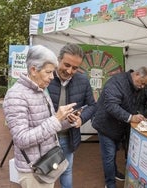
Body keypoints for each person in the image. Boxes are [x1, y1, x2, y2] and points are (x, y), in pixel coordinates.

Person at [2, 45, 79, 188]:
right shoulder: (16, 96)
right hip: (34, 170)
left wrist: (68, 120)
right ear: (33, 70)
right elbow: (21, 139)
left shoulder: (41, 90)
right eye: (48, 72)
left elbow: (48, 126)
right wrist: (56, 119)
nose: (52, 77)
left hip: (47, 163)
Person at [92, 67, 147, 188]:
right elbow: (111, 105)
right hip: (106, 125)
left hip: (118, 126)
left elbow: (136, 104)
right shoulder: (117, 81)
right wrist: (131, 117)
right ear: (136, 75)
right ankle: (110, 183)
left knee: (113, 152)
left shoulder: (137, 86)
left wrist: (140, 116)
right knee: (109, 155)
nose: (143, 87)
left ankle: (114, 173)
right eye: (142, 83)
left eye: (145, 84)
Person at [47, 43, 96, 188]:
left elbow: (93, 105)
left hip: (67, 137)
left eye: (75, 68)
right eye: (66, 65)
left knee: (66, 171)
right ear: (58, 60)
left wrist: (81, 119)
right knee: (45, 173)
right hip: (46, 137)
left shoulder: (83, 81)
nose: (69, 71)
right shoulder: (46, 77)